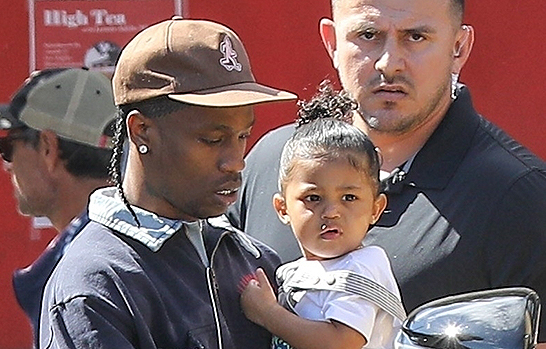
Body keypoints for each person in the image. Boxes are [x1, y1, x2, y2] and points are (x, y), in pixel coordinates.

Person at [228, 0, 546, 342]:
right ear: (332, 42)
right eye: (368, 35)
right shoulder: (270, 161)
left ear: (458, 48)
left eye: (416, 36)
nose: (389, 63)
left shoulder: (520, 197)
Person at [37, 17, 296, 349]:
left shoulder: (254, 261)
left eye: (243, 136)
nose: (236, 161)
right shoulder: (96, 283)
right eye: (212, 139)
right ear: (141, 130)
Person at [240, 88, 405, 349]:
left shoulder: (362, 267)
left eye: (349, 198)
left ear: (376, 208)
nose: (331, 212)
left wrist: (267, 314)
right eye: (314, 198)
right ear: (283, 209)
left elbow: (340, 342)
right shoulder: (293, 274)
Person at [0, 67, 116, 347]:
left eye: (7, 146)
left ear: (48, 148)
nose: (6, 165)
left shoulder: (81, 274)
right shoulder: (151, 233)